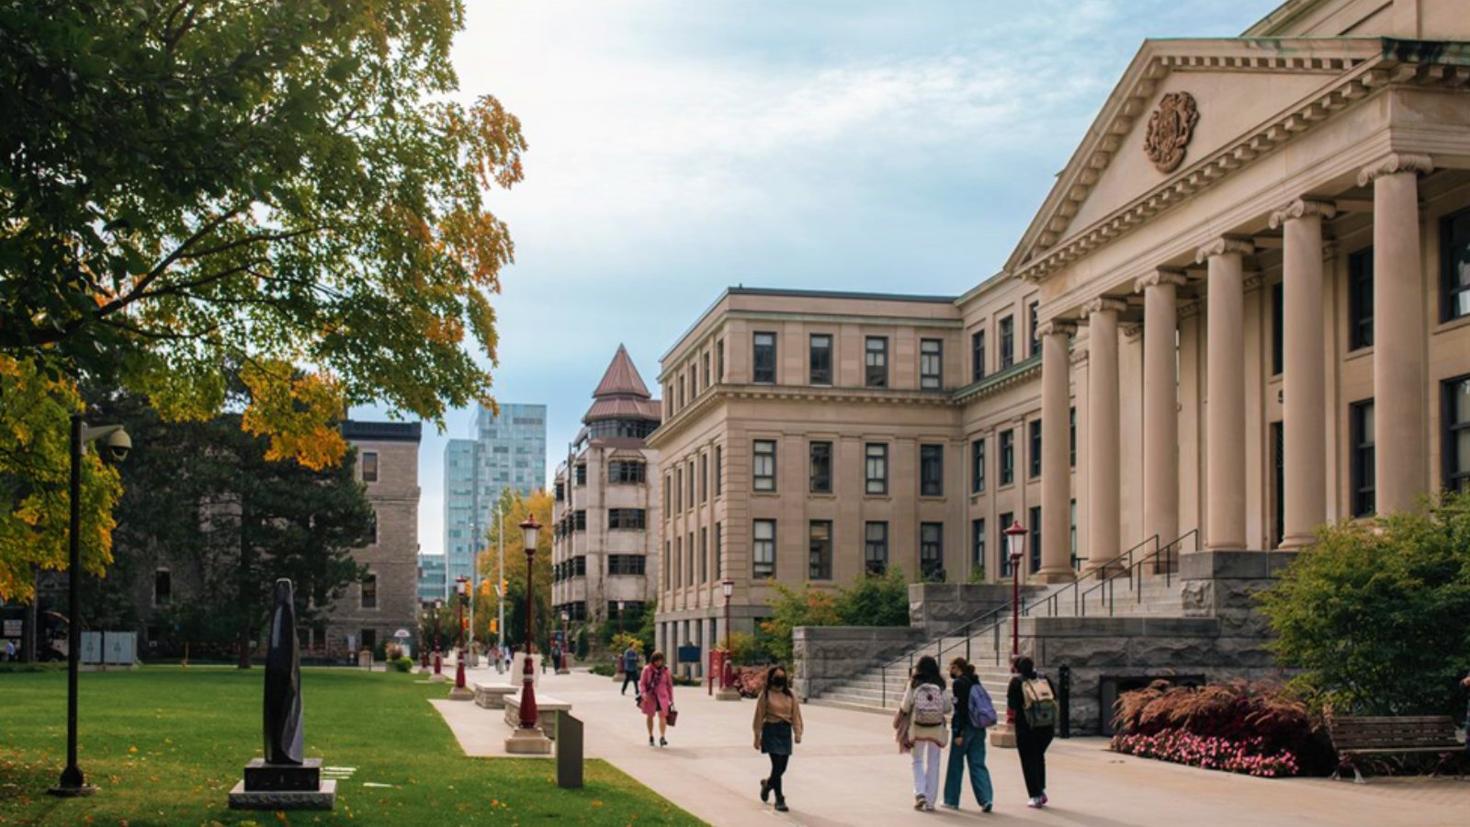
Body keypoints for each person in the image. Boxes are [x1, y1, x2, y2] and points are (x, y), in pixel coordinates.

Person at [896, 654, 952, 812]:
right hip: (936, 727)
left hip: (918, 726)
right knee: (934, 762)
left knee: (917, 760)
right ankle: (930, 800)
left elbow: (906, 706)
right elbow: (947, 707)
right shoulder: (940, 683)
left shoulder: (914, 682)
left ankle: (919, 793)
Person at [942, 657, 994, 812]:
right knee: (978, 763)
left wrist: (958, 732)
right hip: (979, 727)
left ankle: (951, 799)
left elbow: (960, 710)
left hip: (965, 727)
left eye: (950, 668)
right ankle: (986, 798)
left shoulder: (959, 683)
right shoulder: (975, 681)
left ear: (957, 668)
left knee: (956, 764)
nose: (949, 671)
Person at [1007, 655, 1057, 808]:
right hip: (1047, 725)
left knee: (1028, 761)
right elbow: (1055, 696)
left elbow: (1012, 705)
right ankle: (1041, 790)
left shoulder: (1016, 682)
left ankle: (1035, 795)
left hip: (1026, 727)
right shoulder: (1044, 678)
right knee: (1039, 757)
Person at [753, 664, 803, 813]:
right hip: (771, 730)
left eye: (782, 676)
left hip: (785, 731)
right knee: (776, 765)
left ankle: (767, 784)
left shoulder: (790, 695)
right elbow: (758, 716)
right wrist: (757, 736)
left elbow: (796, 715)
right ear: (771, 678)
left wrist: (798, 732)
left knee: (783, 767)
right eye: (777, 677)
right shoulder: (765, 694)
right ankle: (779, 798)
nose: (779, 679)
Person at [638, 650, 675, 747]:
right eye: (656, 661)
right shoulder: (647, 669)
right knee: (650, 716)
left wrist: (671, 699)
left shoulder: (666, 670)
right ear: (653, 660)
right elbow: (642, 683)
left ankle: (662, 737)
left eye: (660, 661)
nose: (658, 663)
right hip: (650, 697)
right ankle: (651, 735)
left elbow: (669, 685)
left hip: (663, 697)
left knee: (662, 716)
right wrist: (643, 693)